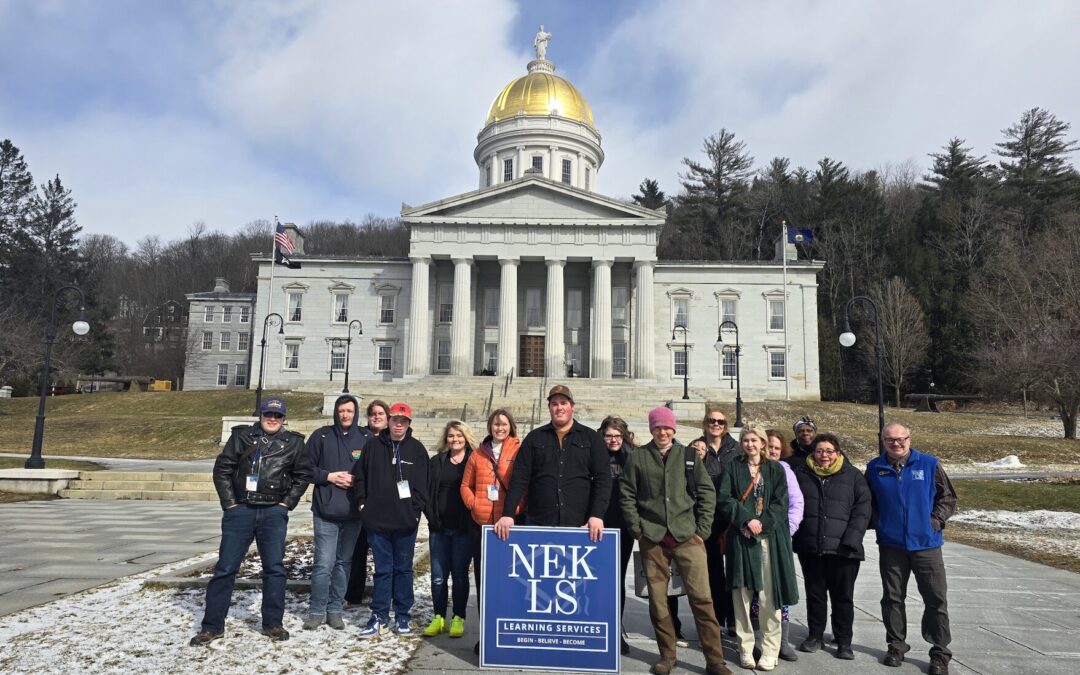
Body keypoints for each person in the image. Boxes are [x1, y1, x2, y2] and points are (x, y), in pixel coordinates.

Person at [190, 397, 312, 646]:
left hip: (272, 512)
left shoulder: (294, 443)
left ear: (284, 418)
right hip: (241, 510)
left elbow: (302, 475)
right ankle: (211, 626)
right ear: (260, 415)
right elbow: (222, 468)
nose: (272, 419)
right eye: (268, 414)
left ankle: (273, 624)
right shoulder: (242, 437)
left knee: (275, 569)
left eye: (277, 416)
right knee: (225, 568)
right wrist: (230, 504)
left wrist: (286, 504)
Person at [620, 407, 731, 675]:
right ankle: (667, 655)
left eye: (667, 427)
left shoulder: (689, 456)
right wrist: (638, 530)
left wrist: (702, 530)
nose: (662, 432)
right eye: (657, 427)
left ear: (674, 429)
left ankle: (714, 660)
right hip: (653, 538)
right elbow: (627, 495)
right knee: (658, 603)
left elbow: (706, 493)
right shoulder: (638, 458)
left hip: (687, 537)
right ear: (651, 429)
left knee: (702, 599)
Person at [865, 423, 957, 675]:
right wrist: (878, 523)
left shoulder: (929, 464)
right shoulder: (874, 468)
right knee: (893, 598)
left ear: (909, 439)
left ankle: (940, 652)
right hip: (892, 545)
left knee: (935, 598)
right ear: (883, 441)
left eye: (900, 439)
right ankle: (896, 645)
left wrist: (934, 522)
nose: (896, 444)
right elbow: (867, 502)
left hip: (926, 545)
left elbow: (947, 497)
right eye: (890, 440)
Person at [717, 423, 799, 672]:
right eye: (745, 440)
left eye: (754, 440)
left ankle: (770, 648)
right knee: (741, 595)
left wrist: (760, 524)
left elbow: (780, 503)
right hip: (741, 539)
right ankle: (745, 646)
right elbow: (725, 498)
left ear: (763, 443)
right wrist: (746, 519)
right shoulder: (734, 467)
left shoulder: (775, 469)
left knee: (768, 597)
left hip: (769, 539)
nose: (749, 444)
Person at [791, 433, 871, 661]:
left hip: (844, 550)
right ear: (812, 453)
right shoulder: (802, 474)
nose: (823, 456)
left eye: (828, 451)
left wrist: (851, 539)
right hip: (811, 546)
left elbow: (862, 510)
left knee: (843, 597)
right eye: (819, 451)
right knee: (815, 594)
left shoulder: (853, 476)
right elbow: (794, 504)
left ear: (837, 453)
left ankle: (843, 640)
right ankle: (815, 635)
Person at [352, 402, 429, 638]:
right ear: (389, 421)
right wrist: (363, 505)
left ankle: (403, 615)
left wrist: (415, 511)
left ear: (408, 424)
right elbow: (360, 477)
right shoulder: (373, 445)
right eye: (395, 419)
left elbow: (423, 485)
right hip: (377, 521)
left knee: (403, 569)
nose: (398, 424)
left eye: (403, 421)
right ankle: (379, 614)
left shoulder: (416, 449)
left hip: (405, 522)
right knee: (383, 570)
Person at [495, 384, 610, 541]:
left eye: (564, 403)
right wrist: (508, 514)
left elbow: (602, 480)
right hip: (538, 522)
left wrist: (597, 515)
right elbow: (520, 478)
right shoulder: (534, 438)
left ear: (572, 407)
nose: (559, 408)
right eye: (554, 404)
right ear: (549, 408)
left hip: (579, 523)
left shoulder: (591, 438)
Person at [303, 394, 371, 631]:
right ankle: (316, 610)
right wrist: (329, 476)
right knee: (323, 563)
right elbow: (304, 468)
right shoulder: (321, 436)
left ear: (356, 413)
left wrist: (358, 480)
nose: (345, 415)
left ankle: (334, 609)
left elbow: (375, 470)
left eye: (350, 411)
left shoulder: (365, 438)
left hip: (353, 514)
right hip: (326, 512)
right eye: (341, 411)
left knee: (344, 563)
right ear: (336, 412)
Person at [460, 408, 523, 656]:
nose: (500, 428)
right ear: (490, 426)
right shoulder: (478, 454)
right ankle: (488, 634)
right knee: (484, 582)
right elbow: (466, 485)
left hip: (509, 526)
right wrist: (474, 504)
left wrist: (515, 510)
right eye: (496, 424)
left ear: (511, 427)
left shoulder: (518, 451)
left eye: (504, 424)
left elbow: (524, 484)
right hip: (482, 525)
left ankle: (512, 633)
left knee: (510, 582)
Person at [423, 420, 477, 639]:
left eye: (459, 435)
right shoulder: (436, 461)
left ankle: (458, 617)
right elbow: (427, 492)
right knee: (438, 577)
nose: (455, 439)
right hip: (439, 529)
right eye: (452, 436)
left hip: (463, 530)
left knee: (460, 576)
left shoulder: (474, 461)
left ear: (466, 438)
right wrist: (432, 517)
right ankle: (438, 616)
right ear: (446, 438)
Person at [693, 404, 739, 636]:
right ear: (705, 423)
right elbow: (688, 478)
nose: (716, 425)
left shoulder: (736, 449)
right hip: (707, 518)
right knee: (712, 572)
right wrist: (697, 458)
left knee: (733, 571)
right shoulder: (696, 447)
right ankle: (718, 618)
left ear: (726, 425)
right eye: (712, 421)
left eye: (720, 422)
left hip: (731, 518)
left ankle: (734, 618)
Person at [764, 429, 805, 662]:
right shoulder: (751, 468)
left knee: (782, 589)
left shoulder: (785, 471)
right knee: (758, 590)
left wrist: (787, 529)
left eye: (777, 448)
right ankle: (761, 638)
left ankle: (782, 640)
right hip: (755, 538)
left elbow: (796, 503)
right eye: (769, 446)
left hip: (780, 540)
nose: (772, 450)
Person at [344, 399, 390, 606]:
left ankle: (386, 594)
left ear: (388, 418)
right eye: (373, 414)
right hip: (362, 505)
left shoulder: (395, 439)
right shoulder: (360, 438)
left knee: (385, 554)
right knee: (358, 552)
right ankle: (354, 594)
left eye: (381, 414)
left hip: (386, 506)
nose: (377, 417)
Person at [599, 415, 637, 655]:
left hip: (623, 525)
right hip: (597, 524)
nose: (613, 440)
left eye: (617, 435)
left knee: (617, 578)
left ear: (624, 437)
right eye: (609, 435)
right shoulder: (593, 455)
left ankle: (615, 627)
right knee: (598, 578)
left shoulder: (632, 458)